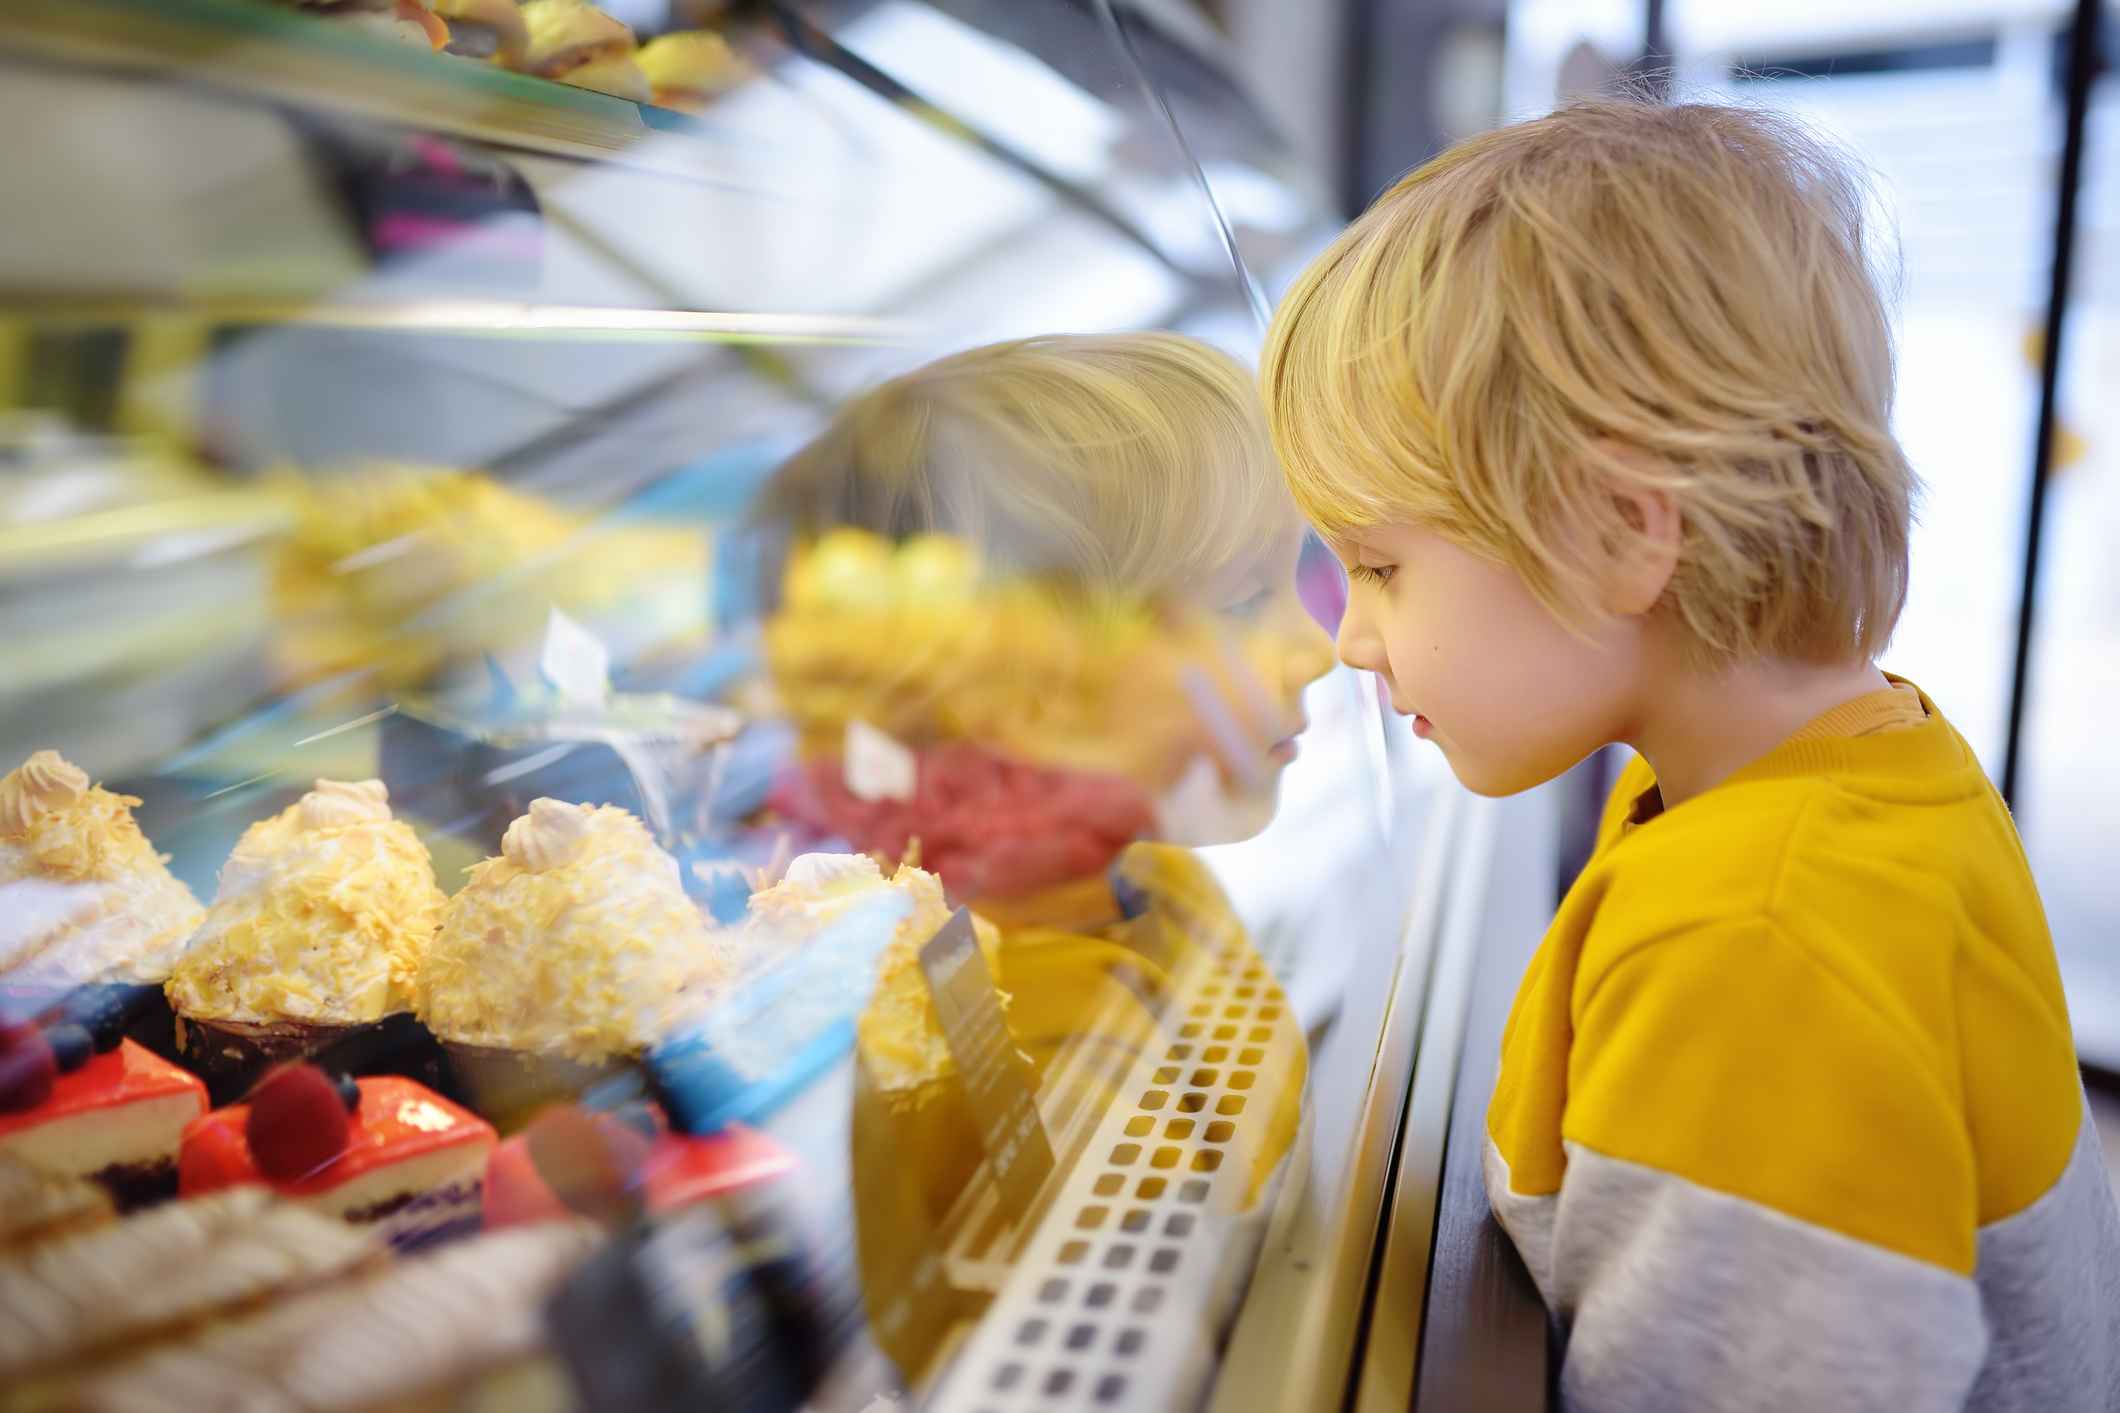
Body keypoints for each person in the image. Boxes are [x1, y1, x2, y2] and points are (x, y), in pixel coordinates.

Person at [1262, 100, 2120, 1412]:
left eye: (1380, 566)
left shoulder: (1754, 942)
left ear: (1619, 531)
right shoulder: (1857, 765)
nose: (1351, 641)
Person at [752, 331, 1331, 1379]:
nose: (1318, 644)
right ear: (1020, 688)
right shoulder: (1010, 1014)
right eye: (1244, 601)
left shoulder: (1153, 886)